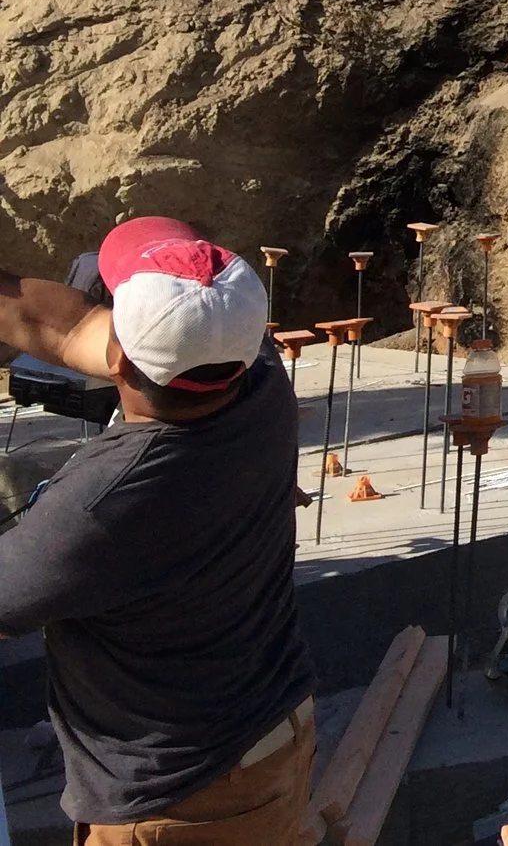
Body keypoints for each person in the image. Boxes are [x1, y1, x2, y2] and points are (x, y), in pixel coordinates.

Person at [0, 218, 316, 843]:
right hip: (270, 739)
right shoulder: (260, 381)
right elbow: (61, 326)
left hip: (181, 803)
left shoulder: (101, 506)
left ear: (117, 357)